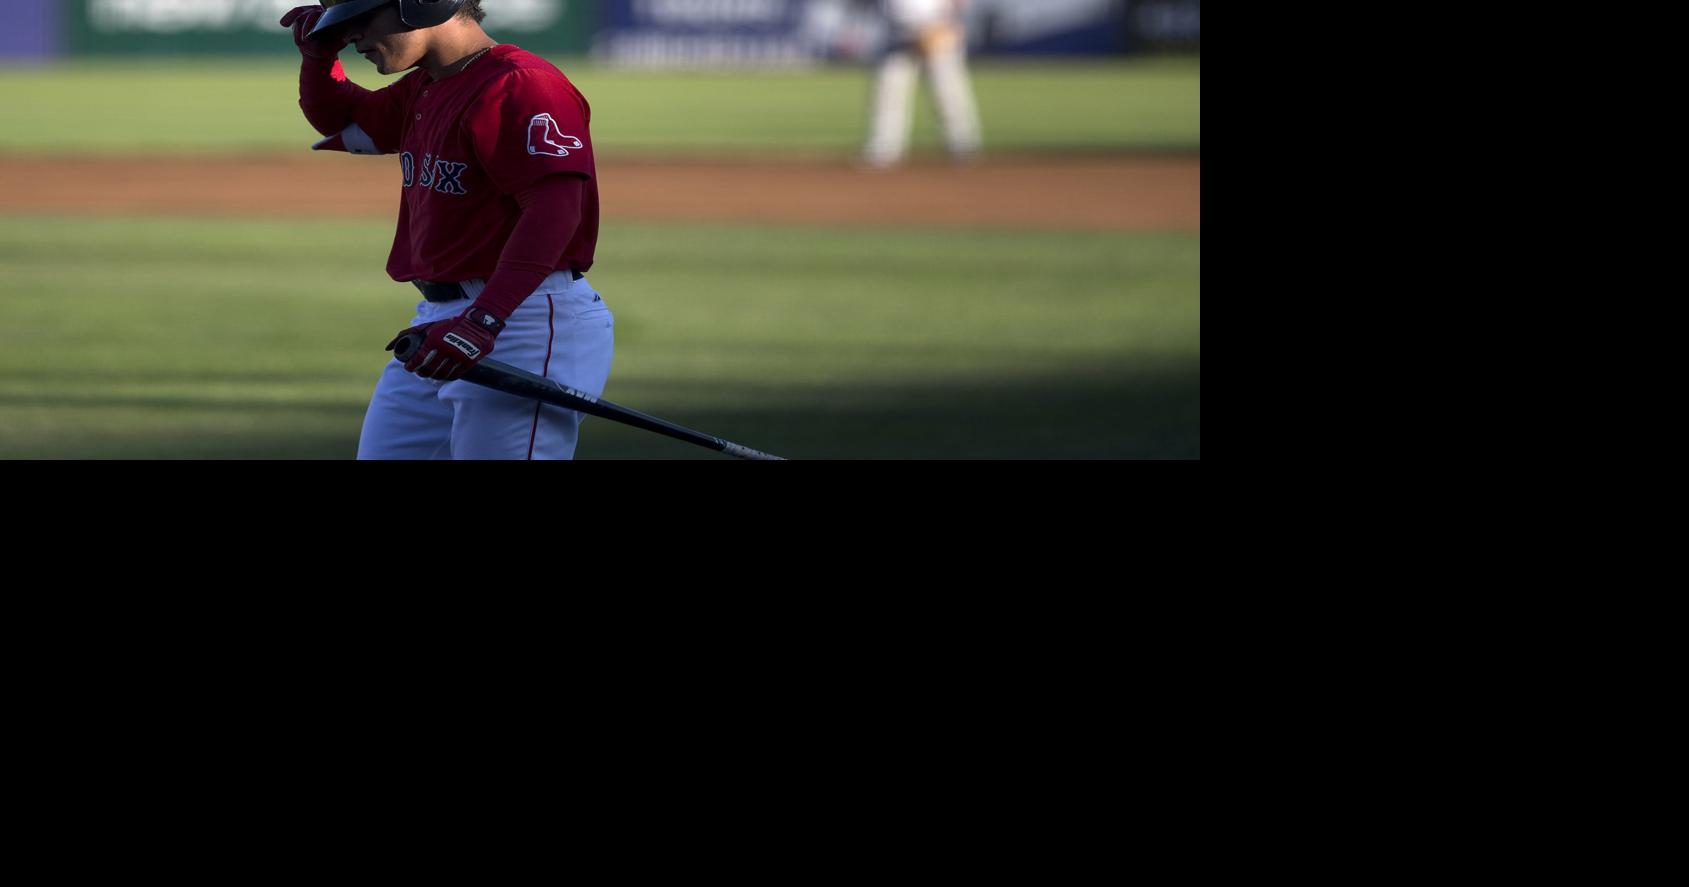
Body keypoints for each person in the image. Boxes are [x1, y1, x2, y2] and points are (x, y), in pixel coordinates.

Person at [279, 0, 614, 460]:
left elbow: (555, 210)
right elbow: (346, 120)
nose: (351, 37)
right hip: (441, 319)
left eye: (361, 20)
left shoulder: (519, 84)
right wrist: (319, 61)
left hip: (524, 321)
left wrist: (485, 319)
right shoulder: (426, 85)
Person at [862, 0, 984, 168]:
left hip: (936, 27)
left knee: (947, 92)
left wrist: (951, 23)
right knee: (888, 91)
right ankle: (884, 149)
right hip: (897, 32)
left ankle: (962, 146)